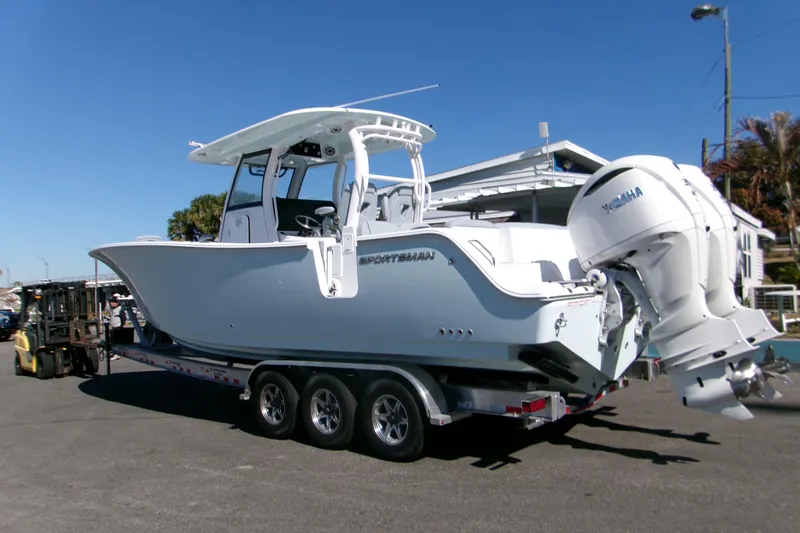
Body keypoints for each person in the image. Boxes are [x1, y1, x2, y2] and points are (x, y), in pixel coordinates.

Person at [108, 295, 128, 360]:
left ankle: (117, 354)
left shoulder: (120, 309)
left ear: (116, 302)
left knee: (116, 341)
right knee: (112, 341)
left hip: (118, 327)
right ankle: (114, 353)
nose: (111, 304)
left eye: (112, 302)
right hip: (113, 327)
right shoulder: (113, 309)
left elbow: (123, 317)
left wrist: (122, 324)